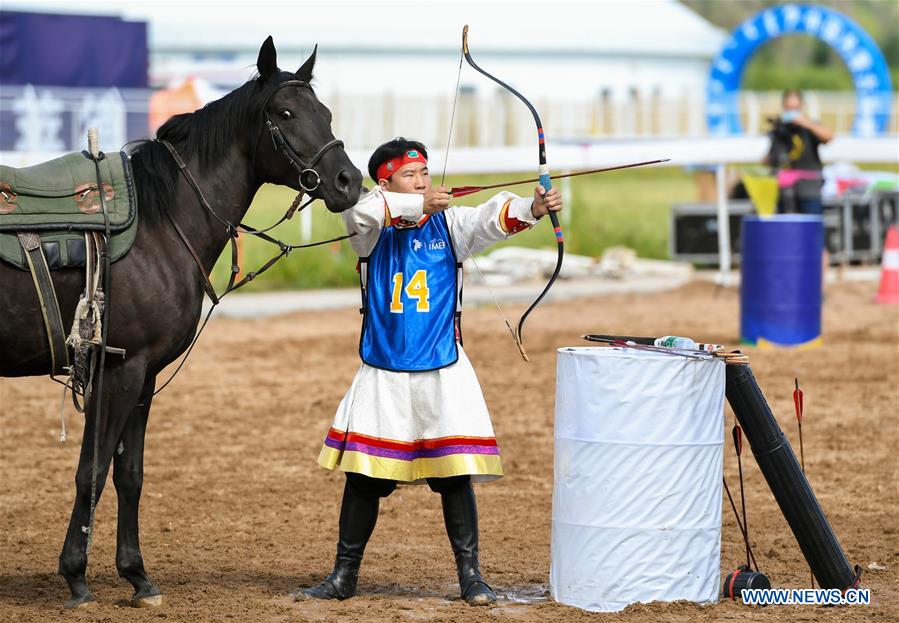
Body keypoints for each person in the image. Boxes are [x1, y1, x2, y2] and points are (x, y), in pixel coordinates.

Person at [297, 137, 562, 606]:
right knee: (363, 478)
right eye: (409, 176)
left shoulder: (450, 223)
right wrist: (413, 204)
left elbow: (490, 218)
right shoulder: (369, 226)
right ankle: (343, 576)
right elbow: (359, 211)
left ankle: (472, 576)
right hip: (385, 371)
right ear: (386, 182)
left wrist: (534, 207)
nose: (422, 181)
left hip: (443, 369)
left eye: (424, 173)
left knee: (454, 475)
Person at [765, 89, 834, 215]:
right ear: (783, 107)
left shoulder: (810, 127)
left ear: (801, 107)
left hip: (809, 190)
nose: (792, 112)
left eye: (795, 108)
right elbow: (771, 156)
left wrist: (805, 123)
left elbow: (829, 136)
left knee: (810, 230)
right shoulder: (780, 130)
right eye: (789, 108)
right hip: (784, 192)